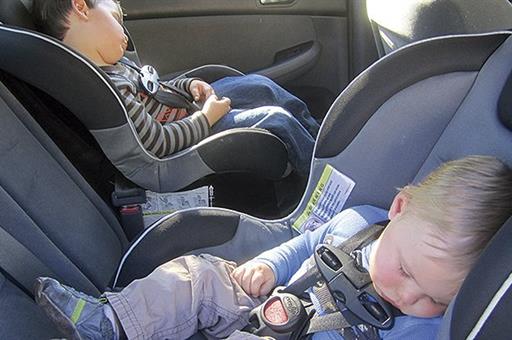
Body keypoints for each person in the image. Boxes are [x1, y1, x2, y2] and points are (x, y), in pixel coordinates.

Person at [34, 155, 512, 339]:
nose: (410, 299)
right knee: (199, 275)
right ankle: (111, 322)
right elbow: (299, 244)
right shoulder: (358, 222)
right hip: (266, 304)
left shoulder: (426, 330)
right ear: (400, 208)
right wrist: (265, 264)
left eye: (436, 300)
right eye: (407, 272)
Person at [31, 0, 320, 176]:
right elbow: (157, 142)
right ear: (81, 7)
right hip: (187, 141)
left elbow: (158, 89)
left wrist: (189, 86)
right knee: (275, 119)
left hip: (191, 114)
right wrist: (206, 118)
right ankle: (323, 175)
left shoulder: (118, 67)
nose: (124, 33)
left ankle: (322, 139)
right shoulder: (108, 88)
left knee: (260, 86)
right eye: (117, 19)